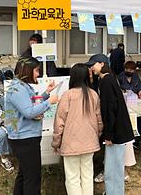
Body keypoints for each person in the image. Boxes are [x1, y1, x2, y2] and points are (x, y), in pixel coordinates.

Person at [5, 57, 58, 195]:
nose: (38, 74)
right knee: (32, 178)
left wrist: (46, 94)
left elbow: (30, 104)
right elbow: (29, 112)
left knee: (24, 175)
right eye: (36, 70)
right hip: (25, 139)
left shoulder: (21, 86)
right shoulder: (18, 89)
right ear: (27, 70)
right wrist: (49, 102)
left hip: (24, 138)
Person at [86, 54, 134, 195]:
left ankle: (114, 192)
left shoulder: (106, 81)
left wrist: (108, 135)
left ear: (102, 64)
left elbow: (109, 110)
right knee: (115, 165)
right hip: (118, 130)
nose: (91, 67)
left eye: (93, 64)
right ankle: (113, 191)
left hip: (116, 132)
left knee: (113, 167)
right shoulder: (108, 78)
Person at [52, 63, 103, 195]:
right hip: (90, 142)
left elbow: (59, 123)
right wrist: (96, 135)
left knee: (72, 178)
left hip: (70, 144)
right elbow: (99, 121)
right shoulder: (93, 95)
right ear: (87, 76)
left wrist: (56, 143)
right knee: (87, 176)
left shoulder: (67, 95)